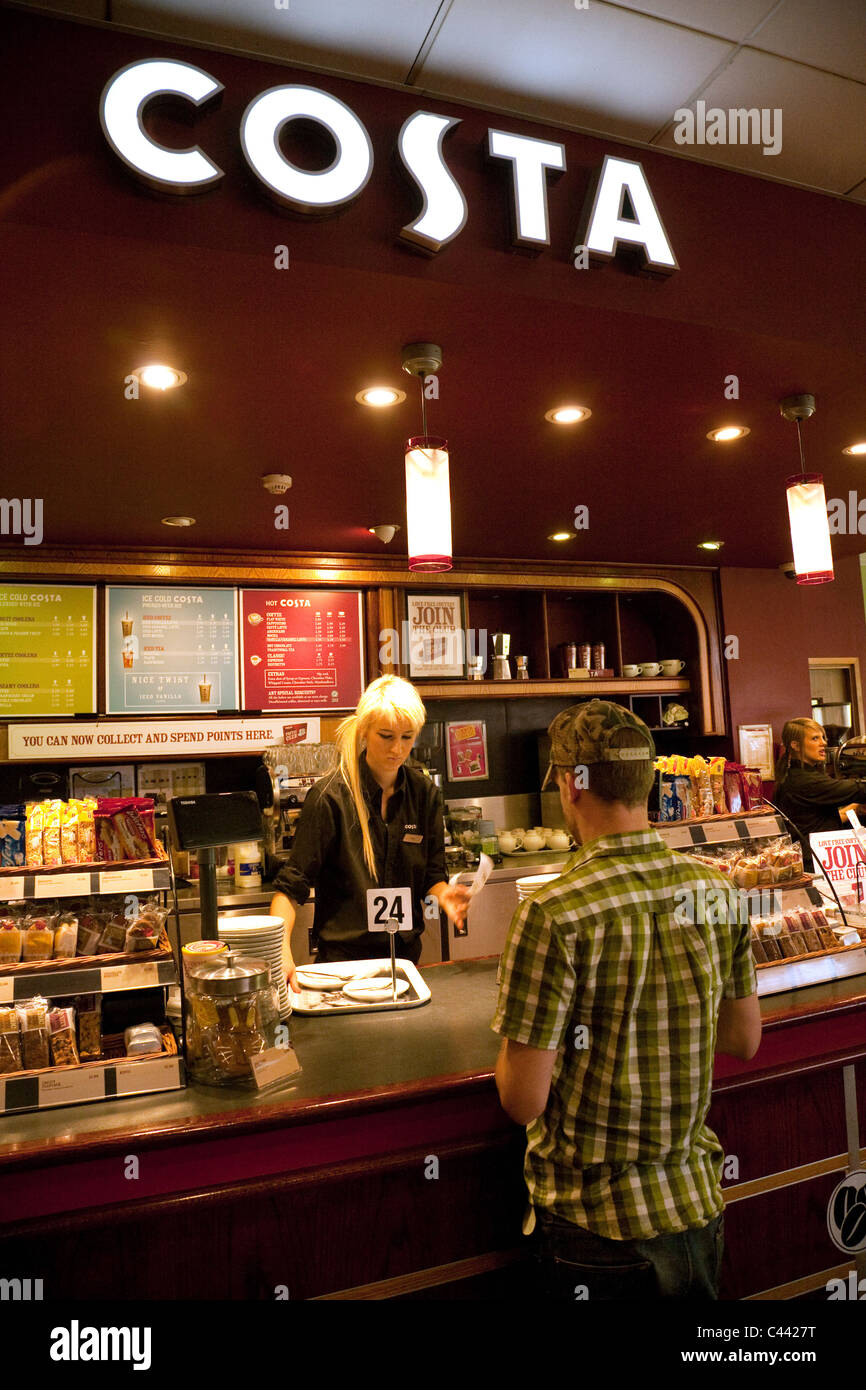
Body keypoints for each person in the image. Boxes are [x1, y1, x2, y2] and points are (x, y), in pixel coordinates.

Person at [491, 699, 761, 1301]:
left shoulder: (553, 912)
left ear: (570, 785)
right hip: (697, 1210)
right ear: (648, 781)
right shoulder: (714, 890)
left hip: (596, 1228)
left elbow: (521, 1098)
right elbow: (743, 1040)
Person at [270, 675, 470, 990]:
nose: (397, 749)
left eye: (407, 737)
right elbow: (289, 888)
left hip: (404, 965)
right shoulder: (330, 798)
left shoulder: (425, 795)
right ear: (365, 730)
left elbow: (433, 876)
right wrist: (280, 951)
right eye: (386, 736)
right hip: (341, 968)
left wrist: (446, 897)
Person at [772, 718, 866, 871]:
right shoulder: (804, 780)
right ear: (795, 745)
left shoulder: (792, 775)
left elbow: (818, 820)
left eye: (823, 738)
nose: (823, 743)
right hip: (813, 863)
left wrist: (855, 809)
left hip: (810, 858)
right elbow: (859, 790)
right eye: (815, 738)